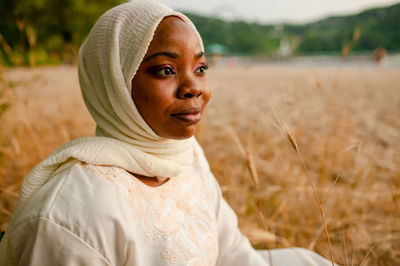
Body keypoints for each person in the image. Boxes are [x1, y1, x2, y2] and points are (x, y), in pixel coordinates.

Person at [0, 1, 335, 265]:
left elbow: (231, 253)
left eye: (200, 68)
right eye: (165, 70)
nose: (194, 88)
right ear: (114, 82)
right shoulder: (72, 213)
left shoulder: (185, 157)